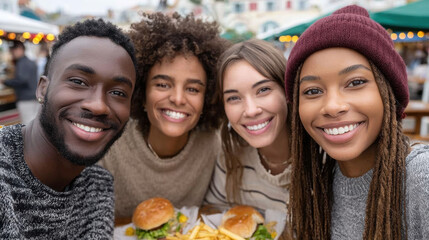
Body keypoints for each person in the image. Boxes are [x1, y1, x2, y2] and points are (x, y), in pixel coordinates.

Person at [284, 5, 429, 239]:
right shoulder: (317, 180)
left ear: (388, 92)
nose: (332, 106)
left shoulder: (422, 176)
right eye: (312, 91)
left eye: (355, 82)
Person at [0, 19, 137, 238]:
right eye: (78, 81)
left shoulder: (98, 185)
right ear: (43, 89)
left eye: (118, 93)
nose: (98, 105)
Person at [98, 12, 230, 218]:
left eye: (193, 89)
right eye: (162, 85)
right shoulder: (107, 145)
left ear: (208, 98)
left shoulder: (213, 145)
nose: (178, 98)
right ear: (141, 93)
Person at [204, 39, 291, 213]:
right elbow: (213, 211)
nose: (251, 111)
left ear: (287, 90)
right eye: (234, 98)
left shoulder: (324, 156)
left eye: (263, 90)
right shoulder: (230, 154)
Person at [0, 40, 39, 125]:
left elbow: (21, 80)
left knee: (27, 124)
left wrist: (5, 81)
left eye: (13, 50)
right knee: (33, 123)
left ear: (20, 49)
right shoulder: (30, 61)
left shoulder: (22, 62)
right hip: (33, 96)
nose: (12, 53)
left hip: (25, 98)